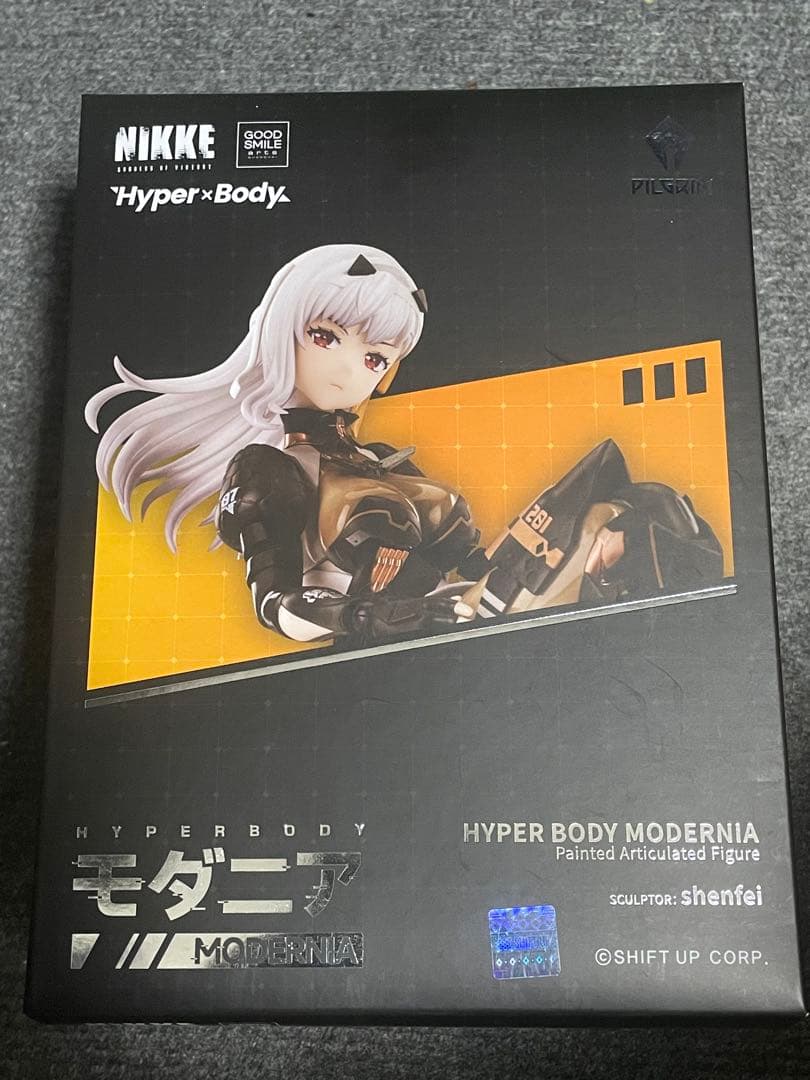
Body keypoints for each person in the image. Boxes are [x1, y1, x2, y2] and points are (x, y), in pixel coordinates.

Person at [87, 243, 724, 646]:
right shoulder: (266, 470)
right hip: (377, 638)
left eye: (374, 358)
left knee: (647, 507)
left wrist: (568, 540)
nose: (350, 370)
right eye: (326, 337)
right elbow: (275, 606)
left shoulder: (379, 461)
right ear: (283, 332)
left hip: (459, 613)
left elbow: (466, 569)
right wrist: (359, 617)